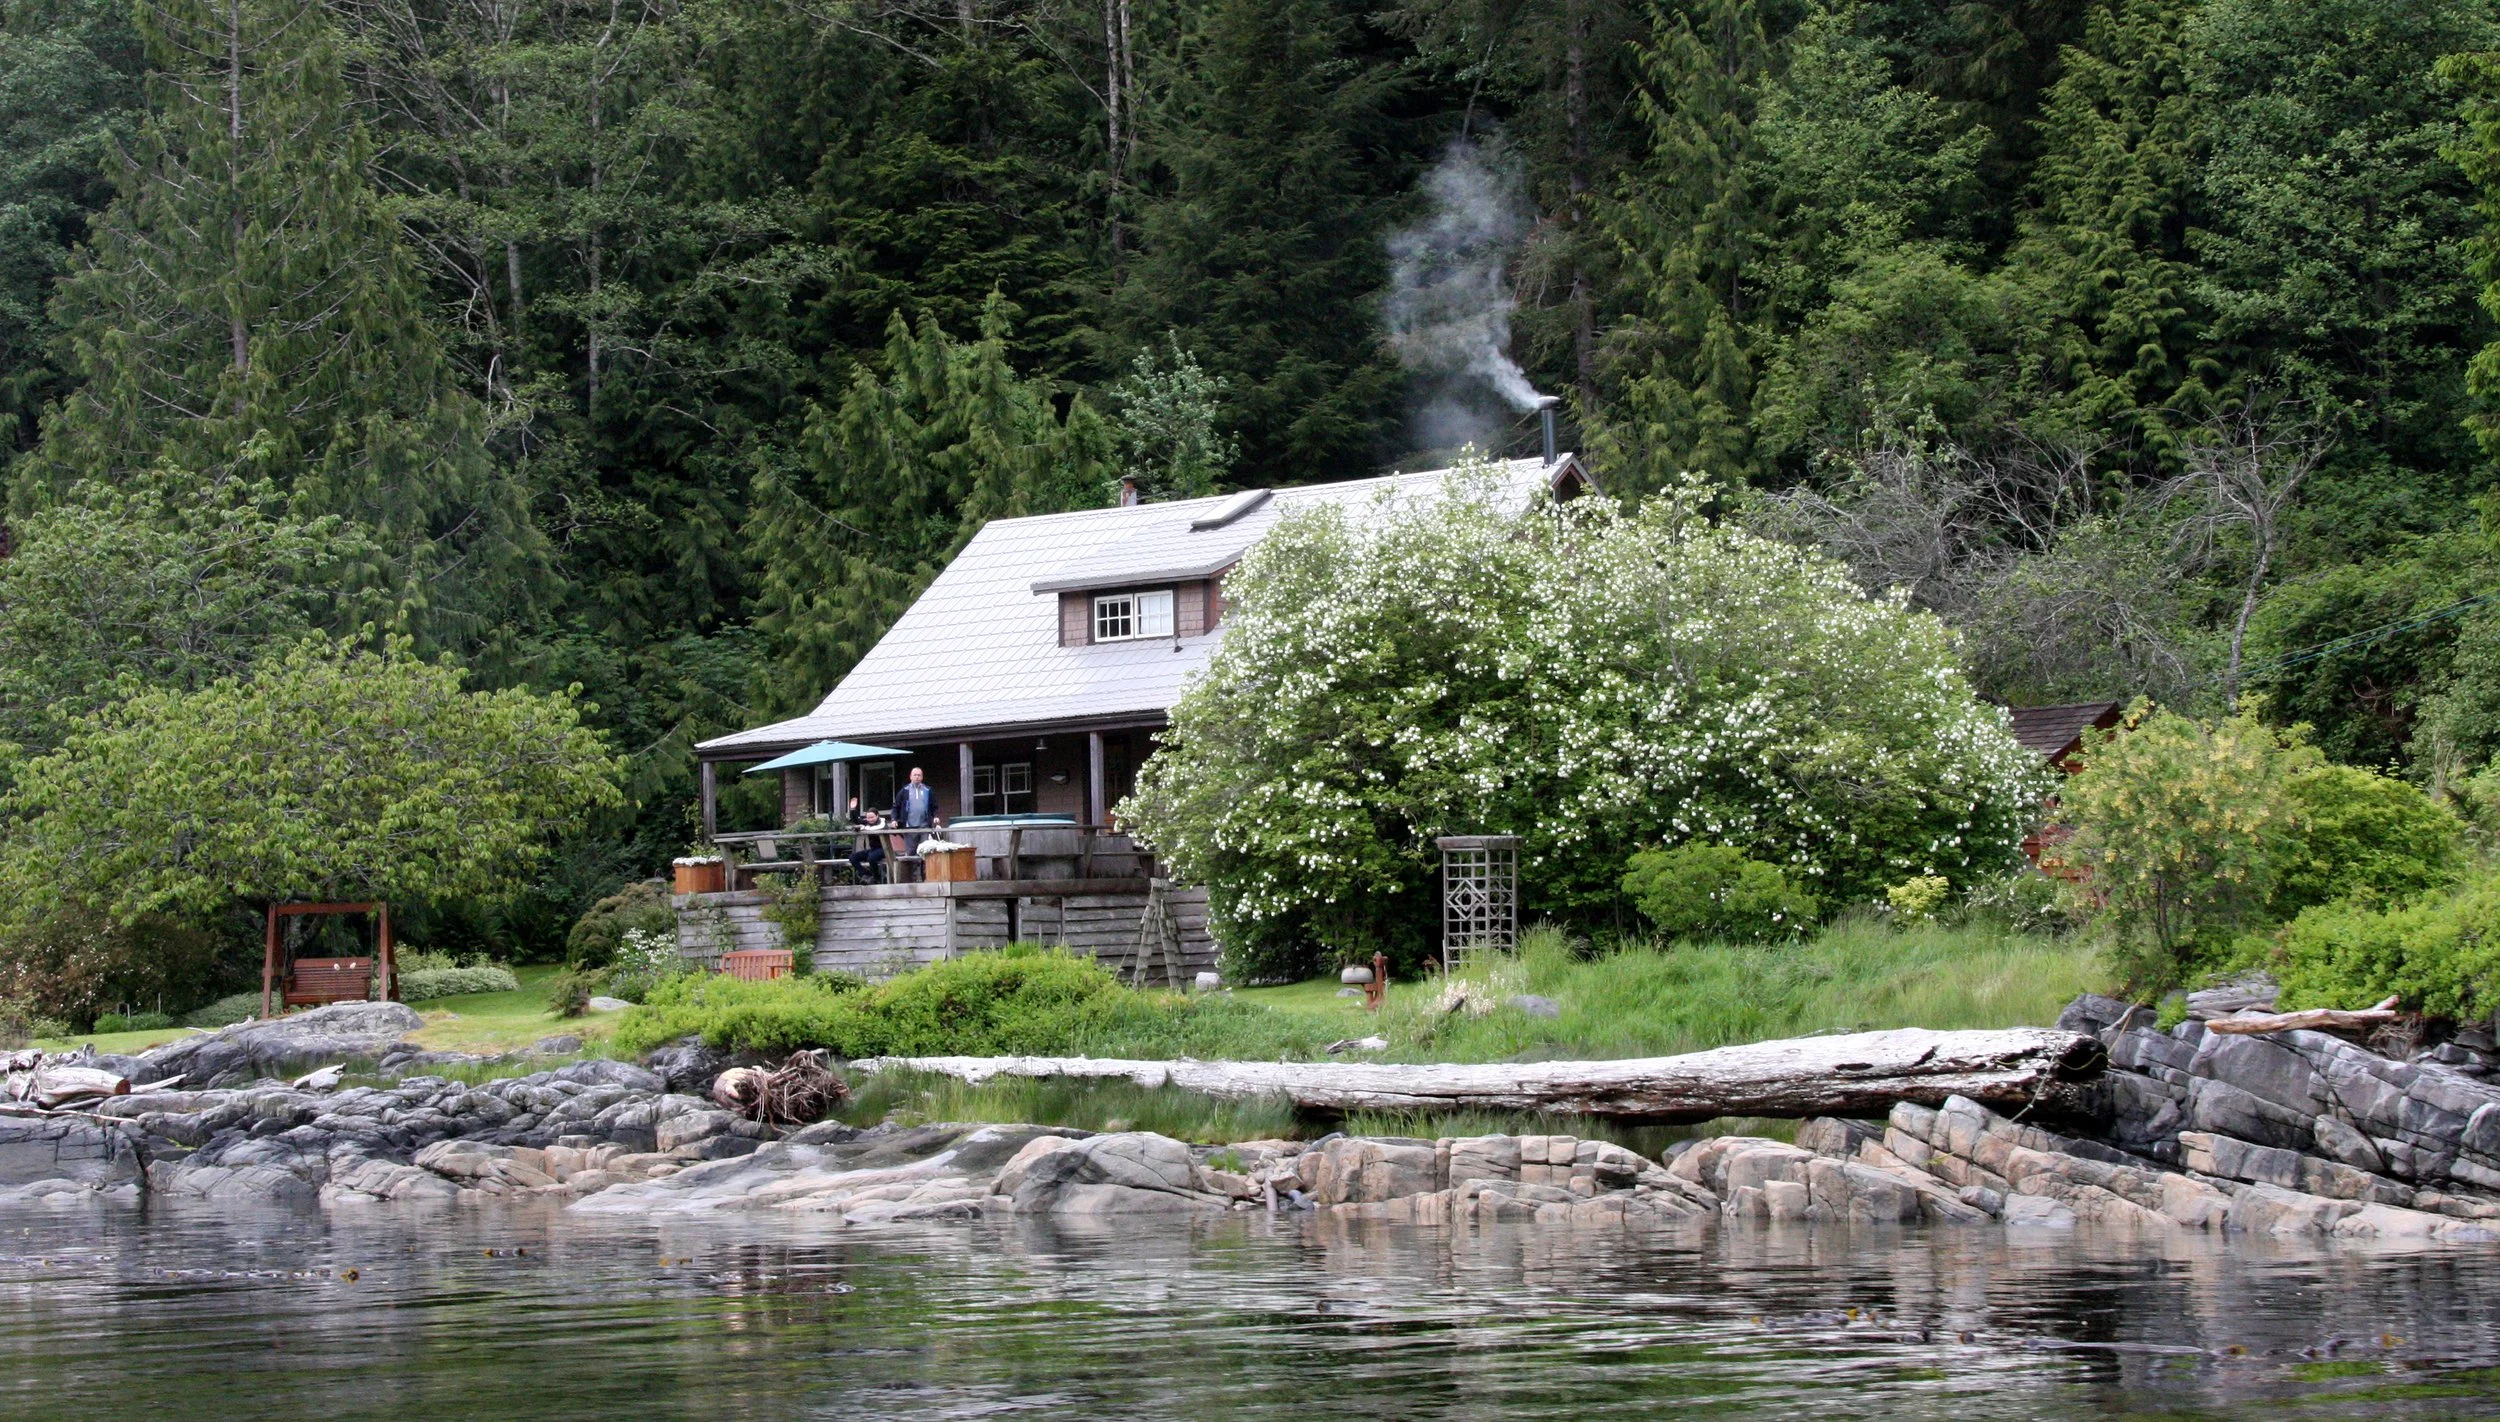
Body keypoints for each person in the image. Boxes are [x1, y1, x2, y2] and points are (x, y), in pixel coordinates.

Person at [892, 766, 943, 860]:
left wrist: (935, 816)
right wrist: (894, 819)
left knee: (925, 851)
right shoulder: (904, 791)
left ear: (922, 777)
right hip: (909, 827)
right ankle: (914, 874)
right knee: (911, 853)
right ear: (910, 777)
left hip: (924, 826)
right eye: (915, 775)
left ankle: (925, 873)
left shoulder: (928, 790)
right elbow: (896, 807)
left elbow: (934, 806)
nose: (917, 777)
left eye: (919, 775)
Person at [844, 797, 887, 884]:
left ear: (877, 815)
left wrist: (864, 828)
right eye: (868, 818)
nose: (870, 819)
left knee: (871, 858)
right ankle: (866, 874)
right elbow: (857, 820)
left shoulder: (882, 823)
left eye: (872, 817)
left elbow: (877, 828)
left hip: (884, 848)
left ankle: (876, 877)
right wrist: (852, 809)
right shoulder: (867, 823)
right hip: (872, 849)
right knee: (853, 857)